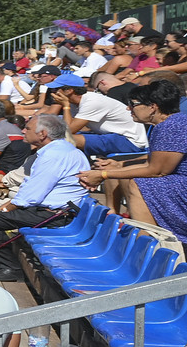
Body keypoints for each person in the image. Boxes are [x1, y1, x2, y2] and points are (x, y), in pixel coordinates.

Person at [0, 115, 88, 278]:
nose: (23, 130)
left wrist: (4, 209)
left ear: (42, 134)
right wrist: (5, 208)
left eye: (28, 128)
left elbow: (31, 196)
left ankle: (11, 267)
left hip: (53, 216)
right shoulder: (62, 150)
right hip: (49, 211)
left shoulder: (53, 155)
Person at [80, 79, 186, 235]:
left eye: (133, 104)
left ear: (152, 107)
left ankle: (150, 242)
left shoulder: (171, 126)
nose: (128, 108)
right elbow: (154, 161)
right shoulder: (171, 123)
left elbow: (157, 171)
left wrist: (102, 175)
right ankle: (123, 219)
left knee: (140, 184)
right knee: (124, 171)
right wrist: (118, 165)